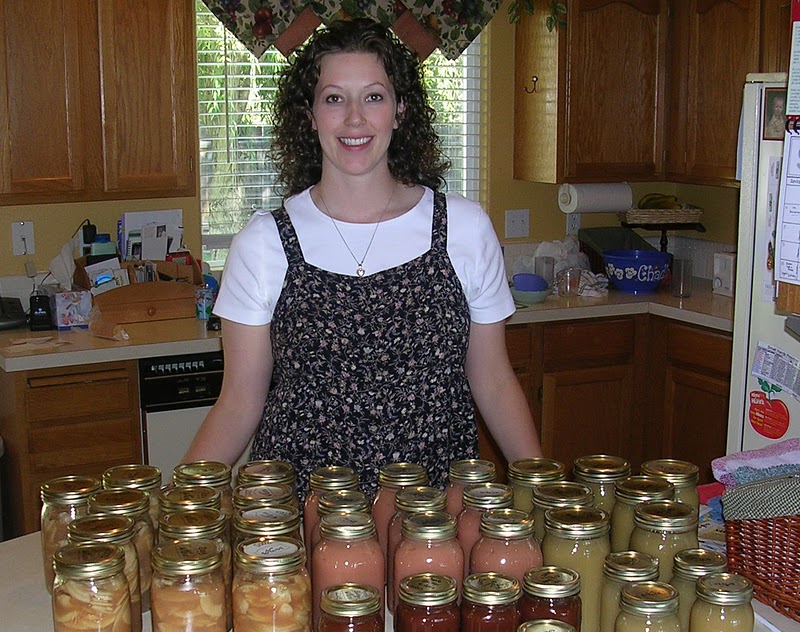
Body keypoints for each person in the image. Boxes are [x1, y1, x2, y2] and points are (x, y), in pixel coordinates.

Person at [183, 18, 542, 498]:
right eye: (334, 98)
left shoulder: (464, 229)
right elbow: (238, 403)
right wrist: (177, 502)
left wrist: (543, 490)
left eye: (373, 96)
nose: (354, 118)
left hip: (433, 516)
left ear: (400, 111)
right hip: (302, 517)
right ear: (310, 116)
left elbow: (494, 381)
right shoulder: (265, 243)